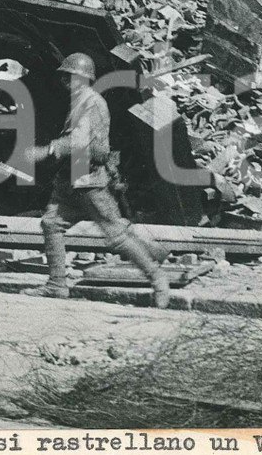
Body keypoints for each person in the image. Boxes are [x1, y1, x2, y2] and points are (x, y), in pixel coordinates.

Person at [24, 53, 170, 307]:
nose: (64, 81)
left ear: (82, 79)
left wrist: (46, 150)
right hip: (72, 180)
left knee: (116, 236)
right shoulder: (80, 101)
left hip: (89, 181)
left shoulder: (91, 102)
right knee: (51, 224)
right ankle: (57, 284)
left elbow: (80, 142)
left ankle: (158, 279)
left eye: (69, 76)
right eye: (64, 76)